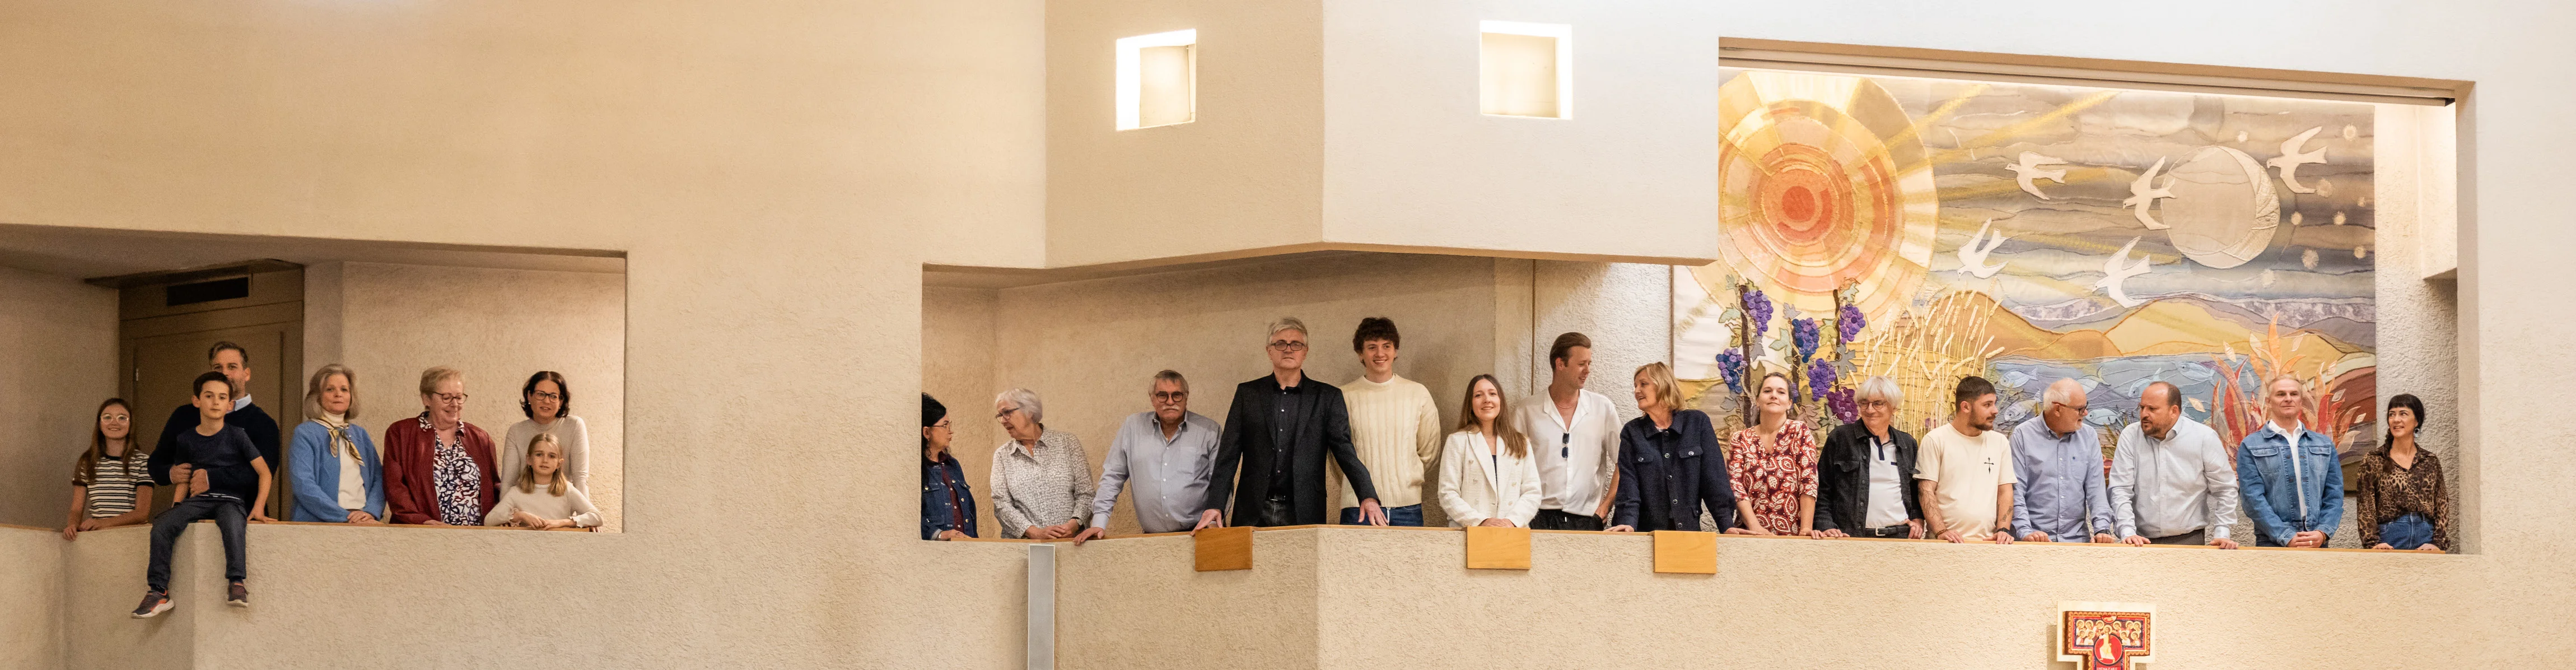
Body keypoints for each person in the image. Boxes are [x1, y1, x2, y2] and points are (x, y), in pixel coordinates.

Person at [1197, 317, 1385, 529]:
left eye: (1296, 345)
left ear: (1305, 352)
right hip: (1253, 509)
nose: (1288, 350)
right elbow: (1228, 457)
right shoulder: (1248, 394)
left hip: (1304, 509)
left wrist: (1368, 496)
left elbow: (1344, 451)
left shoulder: (1327, 397)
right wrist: (1215, 506)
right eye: (1281, 344)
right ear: (1269, 351)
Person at [133, 372, 273, 617]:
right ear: (197, 400)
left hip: (231, 500)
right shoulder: (186, 439)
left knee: (232, 523)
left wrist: (259, 507)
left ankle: (237, 582)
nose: (216, 402)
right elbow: (185, 478)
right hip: (198, 501)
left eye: (222, 397)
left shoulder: (238, 435)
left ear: (230, 405)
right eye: (209, 396)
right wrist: (177, 506)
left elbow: (264, 472)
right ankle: (158, 591)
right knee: (162, 524)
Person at [1072, 371, 1220, 544]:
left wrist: (1212, 523)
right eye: (1162, 396)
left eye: (1177, 395)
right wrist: (1099, 523)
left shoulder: (1208, 430)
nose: (1170, 402)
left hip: (1199, 536)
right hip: (1151, 539)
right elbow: (1113, 476)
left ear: (1186, 397)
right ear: (1152, 398)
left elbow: (1220, 480)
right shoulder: (1132, 427)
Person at [1332, 317, 1442, 527]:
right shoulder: (1344, 396)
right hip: (1358, 508)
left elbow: (1429, 451)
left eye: (1386, 346)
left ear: (1396, 351)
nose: (1380, 354)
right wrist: (1358, 487)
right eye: (1372, 347)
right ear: (1360, 354)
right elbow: (1338, 458)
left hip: (1408, 508)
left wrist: (1406, 481)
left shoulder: (1418, 394)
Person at [1604, 362, 1734, 533]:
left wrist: (1727, 526)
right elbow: (1629, 485)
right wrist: (1627, 522)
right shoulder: (1632, 432)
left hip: (1688, 534)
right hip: (1645, 534)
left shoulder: (1697, 423)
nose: (1636, 391)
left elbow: (1714, 480)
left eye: (1643, 384)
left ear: (1663, 385)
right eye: (1635, 385)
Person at [2109, 381, 2240, 548]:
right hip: (2139, 541)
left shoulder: (2203, 438)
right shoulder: (2131, 436)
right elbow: (2120, 489)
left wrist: (2222, 532)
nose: (2144, 414)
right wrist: (2127, 532)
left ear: (2174, 411)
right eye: (2141, 408)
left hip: (2189, 540)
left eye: (2152, 409)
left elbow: (2225, 489)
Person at [148, 341, 282, 505]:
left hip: (244, 519)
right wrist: (170, 473)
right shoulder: (184, 415)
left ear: (246, 374)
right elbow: (156, 462)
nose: (225, 373)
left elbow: (261, 473)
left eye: (232, 367)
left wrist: (211, 478)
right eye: (218, 368)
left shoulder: (264, 424)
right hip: (193, 519)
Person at [1511, 332, 1620, 532]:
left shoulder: (1602, 408)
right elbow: (1511, 467)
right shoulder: (1526, 410)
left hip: (1587, 520)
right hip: (1537, 517)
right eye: (1581, 364)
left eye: (1589, 364)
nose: (1588, 370)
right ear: (1560, 364)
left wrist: (1604, 510)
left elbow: (1624, 462)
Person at [382, 367, 502, 526]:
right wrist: (423, 521)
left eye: (459, 398)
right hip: (420, 535)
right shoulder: (401, 433)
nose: (455, 405)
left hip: (474, 539)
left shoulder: (480, 438)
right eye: (446, 398)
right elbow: (395, 487)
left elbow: (494, 488)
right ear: (427, 399)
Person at [2237, 375, 2344, 548]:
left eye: (2294, 394)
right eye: (2281, 394)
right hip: (2271, 542)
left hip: (2316, 540)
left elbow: (2335, 495)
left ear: (2301, 400)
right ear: (2269, 401)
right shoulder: (2250, 446)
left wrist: (2323, 532)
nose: (2288, 399)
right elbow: (2252, 500)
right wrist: (2285, 536)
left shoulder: (2323, 444)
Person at [1813, 376, 1924, 539]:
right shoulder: (1841, 438)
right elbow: (1823, 489)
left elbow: (1914, 491)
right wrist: (1826, 525)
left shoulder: (1908, 443)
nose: (1870, 410)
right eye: (1864, 403)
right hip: (1852, 537)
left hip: (1900, 537)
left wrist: (1918, 519)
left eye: (1878, 404)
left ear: (1893, 407)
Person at [2008, 378, 2116, 543]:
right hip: (2035, 542)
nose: (2086, 413)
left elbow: (2096, 490)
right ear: (2058, 409)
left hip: (2077, 542)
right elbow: (2016, 491)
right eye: (2080, 409)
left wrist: (2102, 529)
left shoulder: (2089, 436)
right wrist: (2025, 532)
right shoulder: (2022, 435)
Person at [1916, 376, 2016, 544]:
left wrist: (2003, 530)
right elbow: (1925, 490)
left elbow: (2005, 491)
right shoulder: (1936, 439)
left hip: (1988, 542)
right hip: (1946, 543)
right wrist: (1941, 531)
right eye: (1987, 405)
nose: (1995, 410)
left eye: (1994, 403)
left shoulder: (2000, 443)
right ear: (1966, 407)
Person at [1435, 375, 1542, 528]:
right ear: (1470, 404)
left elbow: (1533, 491)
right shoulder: (1458, 441)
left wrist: (1512, 522)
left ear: (1501, 401)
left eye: (1493, 394)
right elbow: (1448, 493)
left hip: (1512, 533)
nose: (1487, 400)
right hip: (1469, 532)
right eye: (1478, 395)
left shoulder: (1520, 442)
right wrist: (1481, 521)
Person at [990, 388, 1095, 539]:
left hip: (1072, 544)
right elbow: (1001, 505)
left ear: (1030, 412)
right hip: (1024, 549)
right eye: (1000, 415)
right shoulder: (1002, 455)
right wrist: (1035, 532)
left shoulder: (1067, 443)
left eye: (1007, 412)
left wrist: (1074, 525)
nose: (1003, 420)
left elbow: (1086, 493)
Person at [1723, 371, 1819, 536]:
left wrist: (1806, 529)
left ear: (1789, 403)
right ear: (1758, 400)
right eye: (1767, 391)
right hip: (1751, 534)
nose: (1774, 396)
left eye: (1781, 392)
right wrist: (1755, 527)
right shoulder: (1740, 439)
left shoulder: (1799, 432)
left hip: (1794, 534)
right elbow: (1736, 486)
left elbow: (1809, 481)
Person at [287, 364, 386, 524]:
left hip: (364, 521)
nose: (338, 394)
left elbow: (379, 479)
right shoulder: (305, 433)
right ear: (317, 396)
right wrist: (345, 517)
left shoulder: (361, 434)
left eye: (344, 390)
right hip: (319, 523)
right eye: (330, 389)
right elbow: (304, 485)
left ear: (351, 396)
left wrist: (371, 512)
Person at [2354, 394, 2449, 552]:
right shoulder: (2374, 460)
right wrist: (2372, 543)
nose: (2396, 419)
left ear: (2417, 421)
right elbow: (2366, 506)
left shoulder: (2430, 461)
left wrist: (2438, 543)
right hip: (2389, 538)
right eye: (2392, 414)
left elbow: (2442, 504)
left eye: (2403, 414)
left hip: (2426, 537)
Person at [64, 398, 154, 541]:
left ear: (131, 425)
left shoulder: (143, 461)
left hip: (131, 537)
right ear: (99, 424)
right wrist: (72, 526)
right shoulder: (87, 461)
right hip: (98, 538)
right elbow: (76, 509)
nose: (114, 422)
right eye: (107, 417)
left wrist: (103, 523)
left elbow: (142, 513)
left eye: (122, 418)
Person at [486, 433, 603, 529]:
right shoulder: (516, 492)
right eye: (539, 455)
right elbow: (489, 520)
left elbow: (597, 517)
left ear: (559, 463)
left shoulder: (567, 489)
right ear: (529, 459)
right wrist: (519, 516)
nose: (545, 460)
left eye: (552, 456)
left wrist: (564, 522)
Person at [501, 371, 591, 494]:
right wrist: (505, 511)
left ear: (561, 401)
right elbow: (508, 483)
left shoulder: (574, 425)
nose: (547, 401)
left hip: (562, 505)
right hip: (525, 506)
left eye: (553, 396)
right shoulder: (516, 431)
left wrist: (586, 512)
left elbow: (580, 478)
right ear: (529, 396)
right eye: (540, 394)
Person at [921, 393, 978, 540]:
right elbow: (907, 516)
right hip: (932, 554)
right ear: (927, 432)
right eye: (945, 425)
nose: (950, 431)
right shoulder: (916, 468)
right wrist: (939, 535)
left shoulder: (953, 465)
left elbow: (970, 511)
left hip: (964, 550)